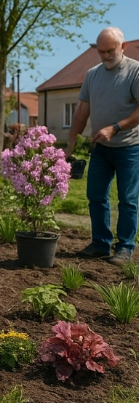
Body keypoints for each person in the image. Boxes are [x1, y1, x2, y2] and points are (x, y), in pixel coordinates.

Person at [65, 27, 139, 266]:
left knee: (128, 199)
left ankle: (125, 248)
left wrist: (115, 128)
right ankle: (100, 243)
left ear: (122, 47)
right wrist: (70, 145)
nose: (105, 56)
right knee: (96, 196)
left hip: (130, 148)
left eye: (110, 51)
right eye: (101, 51)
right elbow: (81, 112)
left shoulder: (135, 71)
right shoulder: (92, 75)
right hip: (101, 149)